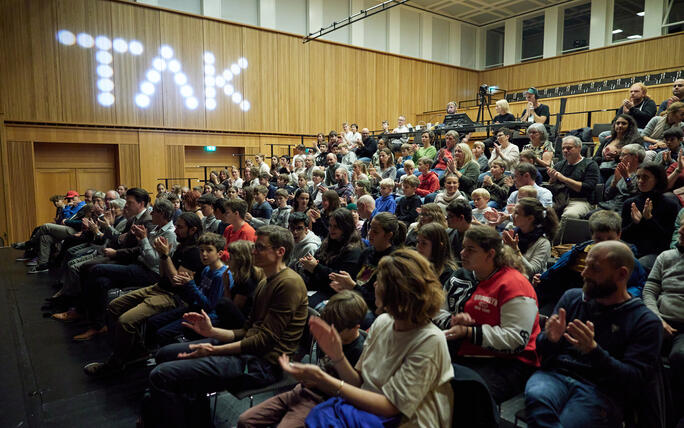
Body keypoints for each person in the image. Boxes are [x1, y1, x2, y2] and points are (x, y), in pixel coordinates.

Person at [143, 225, 308, 428]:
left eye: (260, 247)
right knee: (165, 354)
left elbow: (264, 341)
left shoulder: (289, 283)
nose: (254, 251)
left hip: (263, 364)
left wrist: (213, 349)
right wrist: (211, 331)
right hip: (249, 350)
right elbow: (247, 330)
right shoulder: (266, 281)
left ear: (280, 252)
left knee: (161, 375)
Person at [282, 249, 454, 427]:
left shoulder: (429, 340)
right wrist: (337, 356)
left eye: (380, 282)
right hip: (368, 414)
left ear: (398, 293)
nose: (374, 285)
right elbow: (359, 383)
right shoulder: (383, 322)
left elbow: (391, 407)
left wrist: (324, 379)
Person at [524, 241, 663, 428]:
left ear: (621, 274)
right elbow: (542, 349)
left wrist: (593, 351)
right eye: (586, 265)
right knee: (538, 398)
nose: (584, 273)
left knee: (566, 422)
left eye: (594, 269)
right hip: (555, 376)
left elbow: (634, 380)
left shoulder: (645, 321)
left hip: (602, 390)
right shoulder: (572, 298)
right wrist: (549, 339)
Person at [81, 228, 213, 377]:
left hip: (172, 296)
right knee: (113, 306)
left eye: (181, 227)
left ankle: (116, 363)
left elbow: (176, 281)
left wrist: (165, 255)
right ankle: (133, 350)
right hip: (158, 287)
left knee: (126, 321)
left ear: (192, 229)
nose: (176, 230)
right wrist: (164, 257)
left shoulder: (194, 254)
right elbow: (163, 274)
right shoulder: (181, 247)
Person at [439, 225, 541, 404]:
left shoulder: (514, 284)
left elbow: (516, 340)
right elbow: (437, 310)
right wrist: (452, 321)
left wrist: (469, 332)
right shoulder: (461, 276)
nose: (462, 253)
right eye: (463, 247)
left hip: (509, 362)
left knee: (464, 395)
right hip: (466, 350)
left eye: (471, 250)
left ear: (490, 254)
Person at [236, 291, 368, 428]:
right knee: (245, 421)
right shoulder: (330, 335)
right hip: (302, 391)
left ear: (355, 327)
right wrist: (301, 374)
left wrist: (316, 381)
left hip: (322, 402)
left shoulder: (358, 351)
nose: (330, 333)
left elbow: (349, 394)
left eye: (338, 331)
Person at [535, 210, 648, 315]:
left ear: (619, 235)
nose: (604, 244)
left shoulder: (628, 260)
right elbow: (556, 275)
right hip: (572, 301)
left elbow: (638, 286)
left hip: (608, 307)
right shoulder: (577, 253)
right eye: (599, 239)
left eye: (610, 239)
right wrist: (542, 281)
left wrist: (620, 300)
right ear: (592, 236)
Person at [327, 212, 406, 327]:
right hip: (357, 299)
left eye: (375, 231)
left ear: (388, 235)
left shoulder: (393, 261)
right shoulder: (367, 252)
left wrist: (353, 287)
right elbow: (357, 282)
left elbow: (379, 301)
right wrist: (344, 287)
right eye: (370, 228)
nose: (370, 233)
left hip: (375, 310)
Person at [642, 223, 684, 420]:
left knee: (679, 357)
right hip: (658, 320)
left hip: (682, 329)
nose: (681, 231)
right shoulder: (666, 257)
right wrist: (657, 319)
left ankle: (673, 415)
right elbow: (649, 291)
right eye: (682, 226)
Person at [621, 162, 680, 270]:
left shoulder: (669, 204)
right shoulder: (630, 203)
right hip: (632, 248)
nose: (640, 181)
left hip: (656, 252)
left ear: (657, 180)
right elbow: (623, 235)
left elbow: (667, 239)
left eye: (645, 177)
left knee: (636, 266)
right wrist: (636, 223)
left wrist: (649, 220)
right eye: (638, 177)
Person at [299, 208, 363, 309]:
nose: (331, 229)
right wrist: (309, 265)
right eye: (330, 225)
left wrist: (315, 267)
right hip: (317, 285)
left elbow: (339, 279)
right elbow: (316, 262)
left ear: (346, 228)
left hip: (335, 293)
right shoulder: (328, 241)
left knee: (303, 305)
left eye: (336, 227)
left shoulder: (354, 250)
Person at [547, 135, 600, 220]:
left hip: (581, 200)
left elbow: (587, 188)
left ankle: (562, 233)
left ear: (579, 148)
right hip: (560, 199)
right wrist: (553, 179)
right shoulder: (559, 165)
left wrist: (563, 179)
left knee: (569, 216)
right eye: (563, 148)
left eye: (569, 148)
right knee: (542, 212)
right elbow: (552, 185)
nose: (565, 151)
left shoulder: (590, 165)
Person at [503, 198, 558, 279]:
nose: (512, 215)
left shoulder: (543, 243)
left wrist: (515, 249)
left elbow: (531, 272)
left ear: (530, 218)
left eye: (517, 213)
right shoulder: (512, 232)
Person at [598, 143, 643, 213]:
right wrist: (614, 182)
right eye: (620, 155)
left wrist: (627, 178)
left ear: (635, 157)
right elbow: (607, 197)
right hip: (609, 206)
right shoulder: (619, 172)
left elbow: (636, 196)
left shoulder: (642, 175)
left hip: (624, 210)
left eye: (623, 155)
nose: (620, 158)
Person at [215, 198, 256, 262]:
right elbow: (223, 248)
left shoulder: (247, 232)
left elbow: (243, 258)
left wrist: (217, 254)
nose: (225, 215)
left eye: (227, 213)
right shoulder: (228, 228)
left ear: (236, 213)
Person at [445, 199, 472, 263]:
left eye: (450, 216)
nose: (446, 218)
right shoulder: (448, 232)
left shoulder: (476, 238)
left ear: (461, 218)